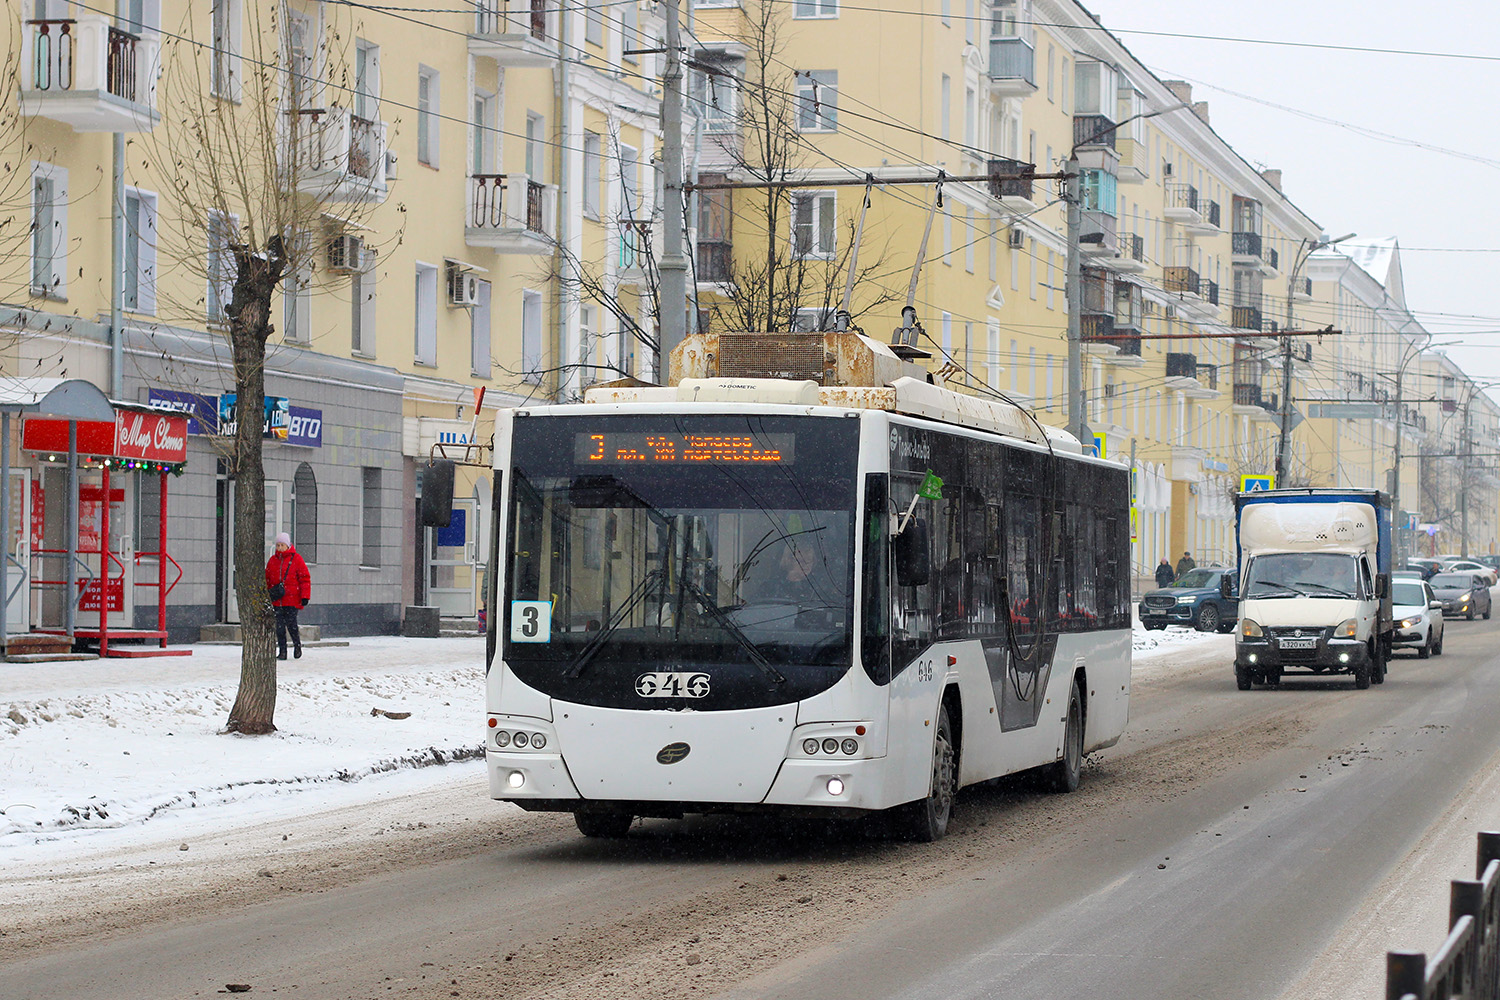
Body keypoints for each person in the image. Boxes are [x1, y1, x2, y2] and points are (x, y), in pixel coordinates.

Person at [266, 532, 311, 660]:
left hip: (292, 599)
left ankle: (297, 646)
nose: (279, 548)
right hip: (277, 600)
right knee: (279, 627)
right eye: (278, 545)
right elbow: (267, 578)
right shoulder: (273, 561)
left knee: (291, 625)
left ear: (288, 545)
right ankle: (283, 651)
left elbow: (304, 578)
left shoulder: (296, 559)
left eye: (282, 545)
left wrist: (305, 596)